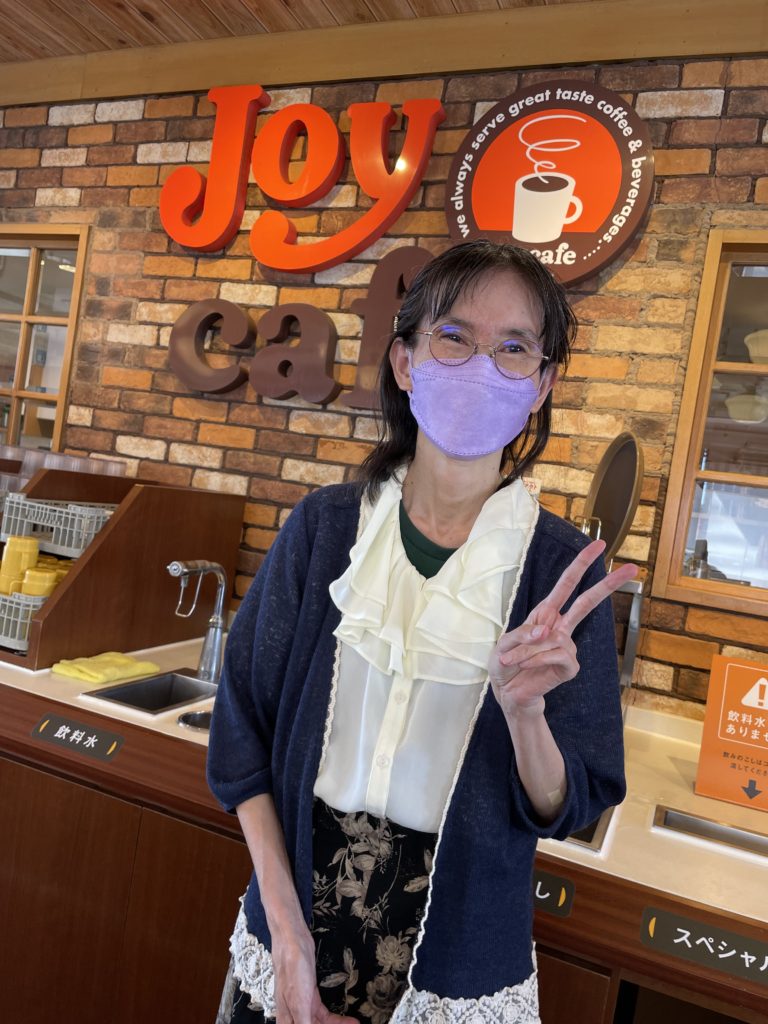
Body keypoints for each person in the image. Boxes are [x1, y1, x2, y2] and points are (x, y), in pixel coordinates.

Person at [207, 240, 636, 1024]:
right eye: (455, 337)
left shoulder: (561, 575)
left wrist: (526, 717)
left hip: (459, 961)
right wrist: (289, 942)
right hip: (292, 924)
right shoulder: (324, 531)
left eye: (514, 348)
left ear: (542, 385)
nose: (483, 366)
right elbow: (240, 735)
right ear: (405, 362)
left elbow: (568, 804)